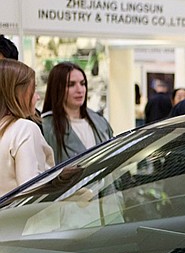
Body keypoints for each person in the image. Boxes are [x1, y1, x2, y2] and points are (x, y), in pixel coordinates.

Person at [41, 62, 113, 164]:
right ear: (57, 88)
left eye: (82, 84)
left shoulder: (100, 122)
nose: (79, 90)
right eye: (71, 85)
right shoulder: (46, 128)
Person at [0, 59, 54, 194]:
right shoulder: (24, 129)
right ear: (18, 93)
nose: (37, 97)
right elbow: (31, 189)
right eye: (33, 90)